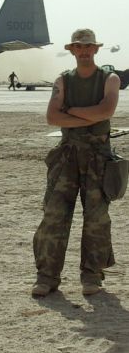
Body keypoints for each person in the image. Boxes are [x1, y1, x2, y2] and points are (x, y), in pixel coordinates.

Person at [32, 28, 121, 297]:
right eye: (78, 47)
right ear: (72, 50)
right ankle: (47, 277)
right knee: (54, 215)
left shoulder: (110, 79)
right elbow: (52, 117)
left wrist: (70, 111)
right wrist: (89, 116)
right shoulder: (63, 80)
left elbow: (106, 111)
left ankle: (91, 276)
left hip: (98, 156)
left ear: (95, 49)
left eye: (88, 47)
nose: (83, 51)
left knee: (96, 218)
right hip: (67, 155)